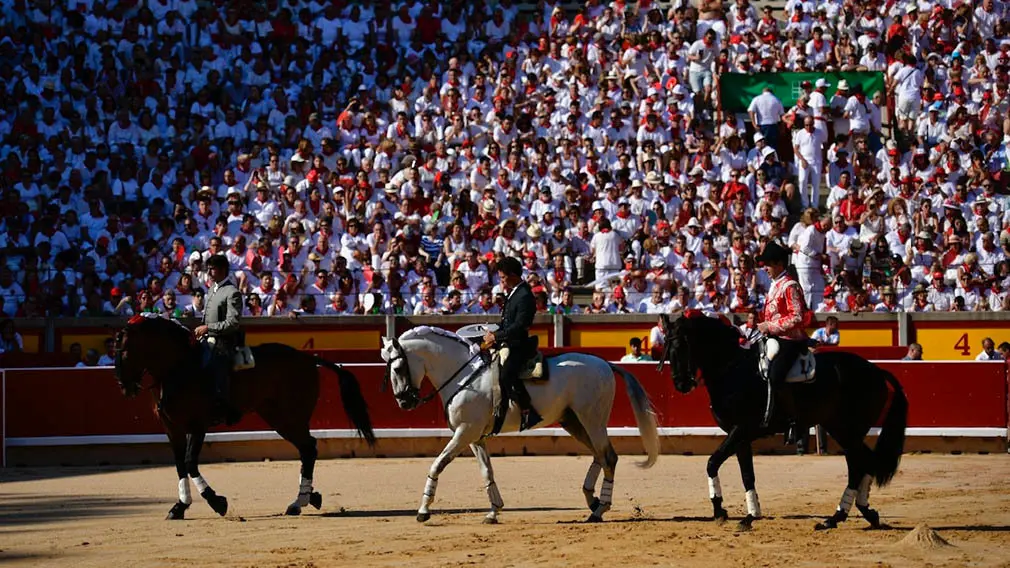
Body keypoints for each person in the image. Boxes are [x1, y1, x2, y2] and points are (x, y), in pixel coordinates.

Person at [755, 241, 812, 441]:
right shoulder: (776, 285)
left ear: (779, 264)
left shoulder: (790, 285)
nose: (765, 268)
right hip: (775, 339)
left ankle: (794, 420)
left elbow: (797, 317)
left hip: (791, 341)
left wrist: (769, 326)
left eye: (768, 264)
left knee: (776, 375)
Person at [483, 256, 540, 432]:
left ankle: (528, 411)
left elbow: (519, 326)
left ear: (513, 275)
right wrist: (493, 334)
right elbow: (507, 322)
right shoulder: (516, 292)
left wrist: (497, 336)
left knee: (506, 375)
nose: (501, 281)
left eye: (502, 277)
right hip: (508, 340)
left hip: (519, 344)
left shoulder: (524, 295)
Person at [194, 254, 244, 424]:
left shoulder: (232, 292)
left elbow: (232, 323)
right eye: (208, 267)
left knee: (215, 364)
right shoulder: (212, 289)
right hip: (207, 339)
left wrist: (208, 328)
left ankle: (223, 408)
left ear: (222, 270)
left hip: (224, 342)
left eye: (212, 268)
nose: (208, 271)